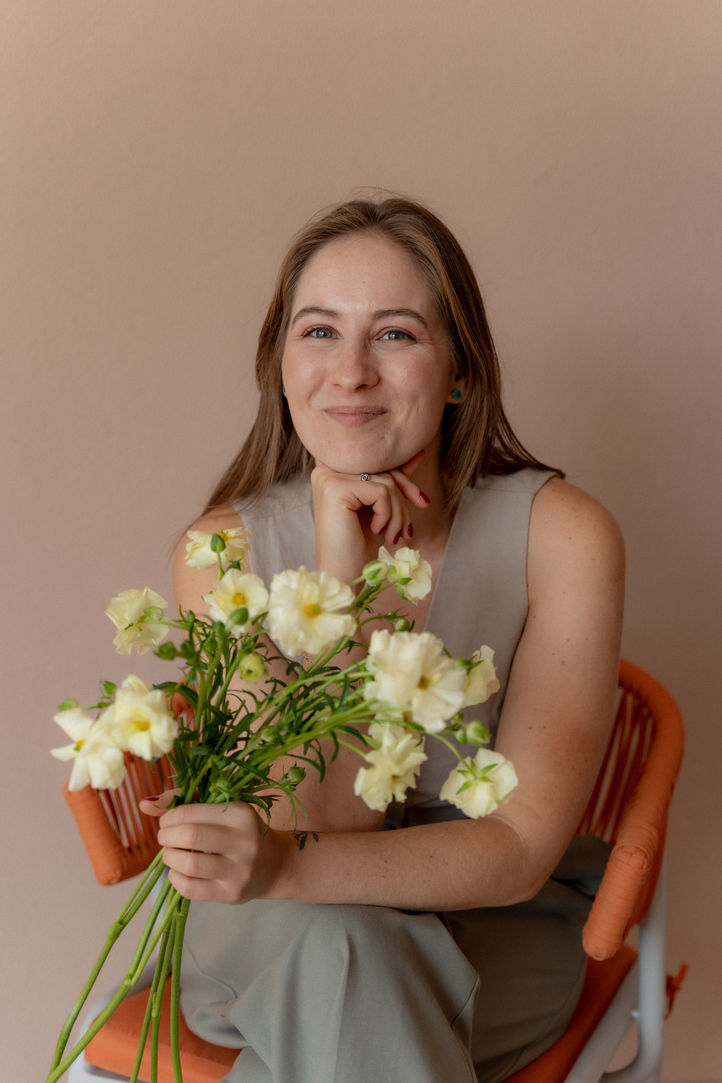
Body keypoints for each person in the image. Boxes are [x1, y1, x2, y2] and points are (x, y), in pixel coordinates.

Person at [141, 196, 624, 1082]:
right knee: (339, 953)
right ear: (281, 368)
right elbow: (307, 816)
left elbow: (516, 850)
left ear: (461, 372)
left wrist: (287, 864)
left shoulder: (564, 536)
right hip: (267, 924)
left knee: (341, 974)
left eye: (395, 335)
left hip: (489, 919)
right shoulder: (223, 555)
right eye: (319, 332)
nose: (351, 371)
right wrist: (347, 584)